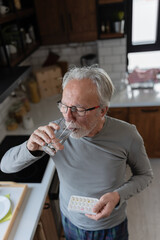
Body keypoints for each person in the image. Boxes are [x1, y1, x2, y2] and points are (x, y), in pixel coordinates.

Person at [1, 66, 153, 240]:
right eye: (64, 106)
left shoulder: (127, 135)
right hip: (71, 221)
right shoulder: (54, 132)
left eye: (79, 110)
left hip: (111, 225)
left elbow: (145, 175)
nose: (68, 117)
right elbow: (6, 166)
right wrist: (29, 147)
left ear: (102, 110)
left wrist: (118, 196)